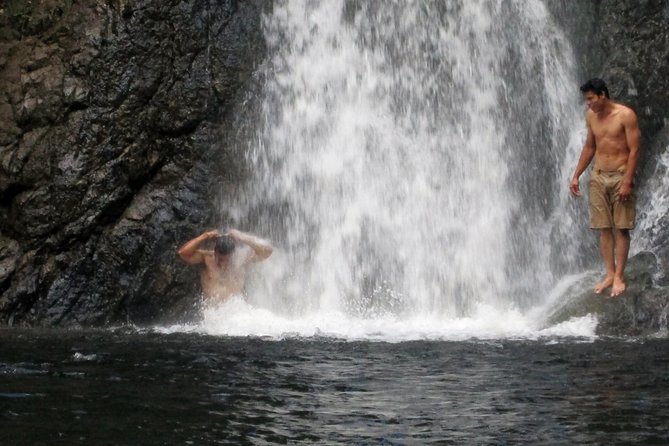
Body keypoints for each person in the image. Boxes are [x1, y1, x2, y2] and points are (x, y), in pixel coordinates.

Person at [569, 78, 640, 297]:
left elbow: (635, 150)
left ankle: (619, 275)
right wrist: (576, 175)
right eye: (586, 100)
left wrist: (628, 180)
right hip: (598, 175)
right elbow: (590, 146)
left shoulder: (625, 115)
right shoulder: (591, 116)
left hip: (620, 175)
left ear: (602, 95)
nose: (588, 104)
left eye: (591, 99)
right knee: (603, 228)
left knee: (621, 227)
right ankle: (609, 273)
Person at [177, 228, 272, 303]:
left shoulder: (241, 259)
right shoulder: (207, 258)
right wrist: (205, 236)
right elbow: (183, 253)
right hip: (213, 315)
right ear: (215, 252)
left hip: (237, 313)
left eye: (227, 260)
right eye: (220, 259)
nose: (222, 263)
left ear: (233, 254)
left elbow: (267, 252)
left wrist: (242, 237)